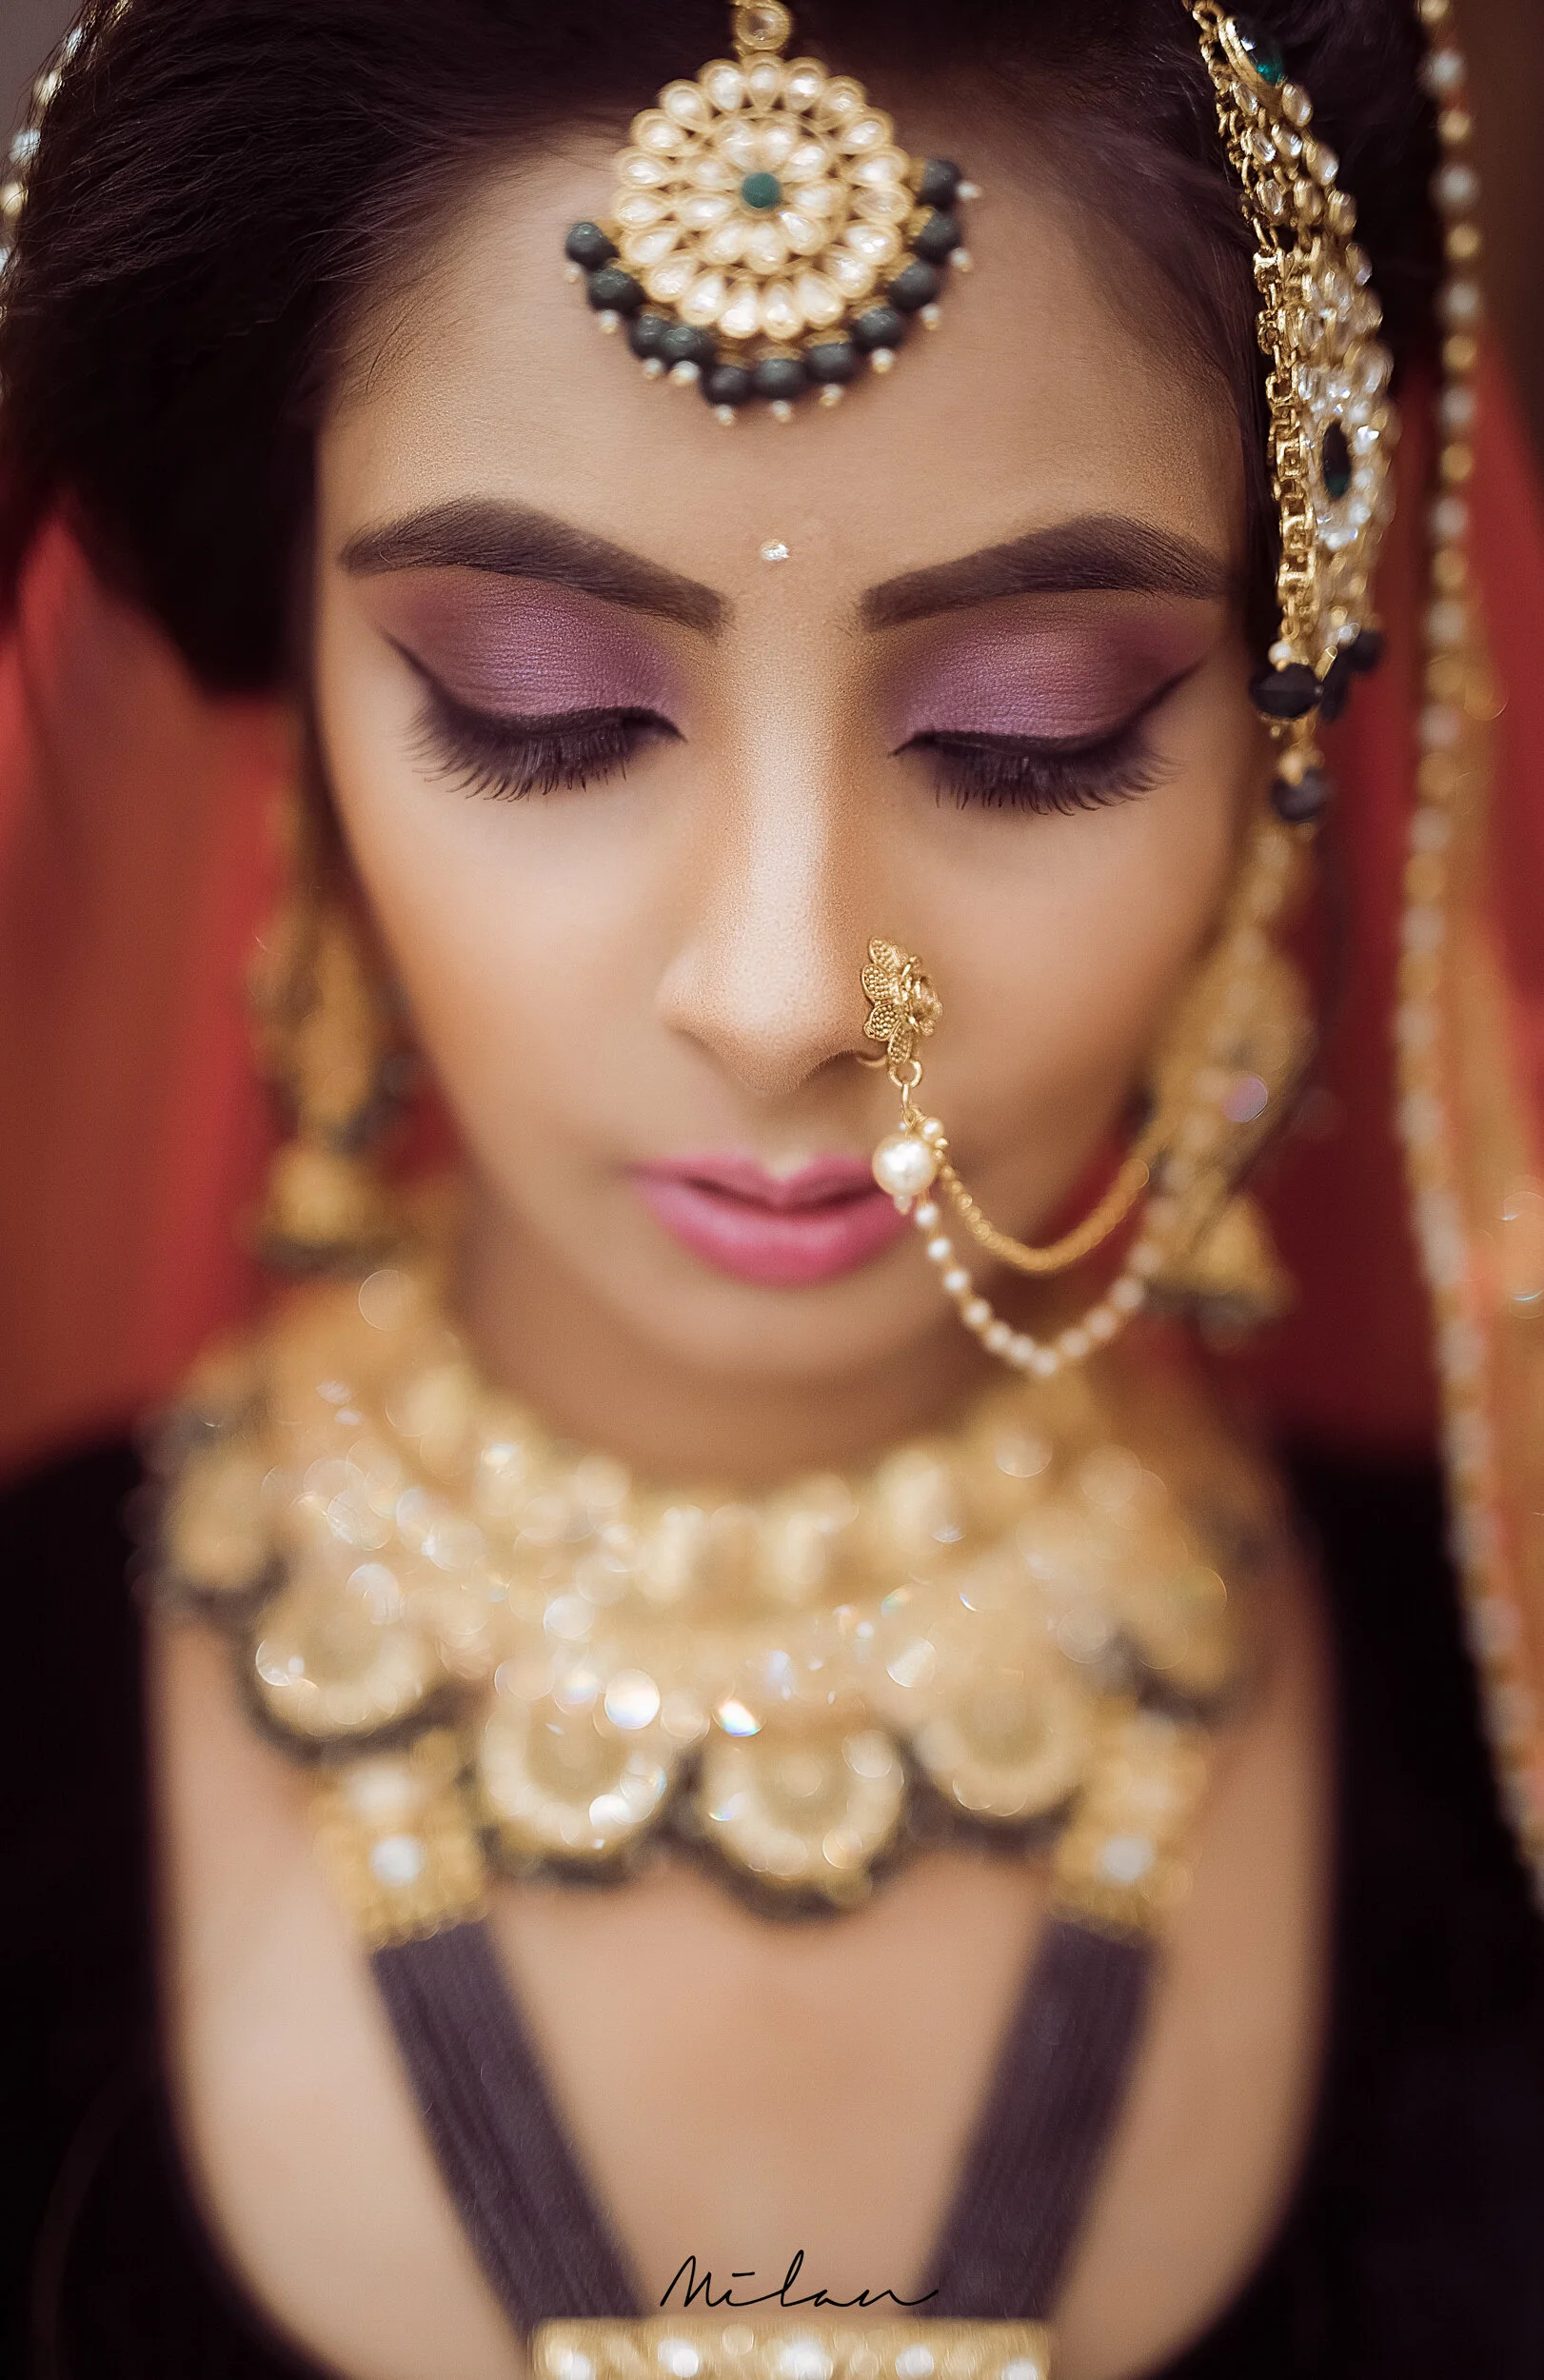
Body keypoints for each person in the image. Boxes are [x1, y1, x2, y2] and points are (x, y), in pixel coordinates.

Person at [3, 3, 1543, 2377]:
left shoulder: (1499, 1723)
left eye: (1029, 732)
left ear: (1281, 732)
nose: (781, 993)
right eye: (540, 709)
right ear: (298, 682)